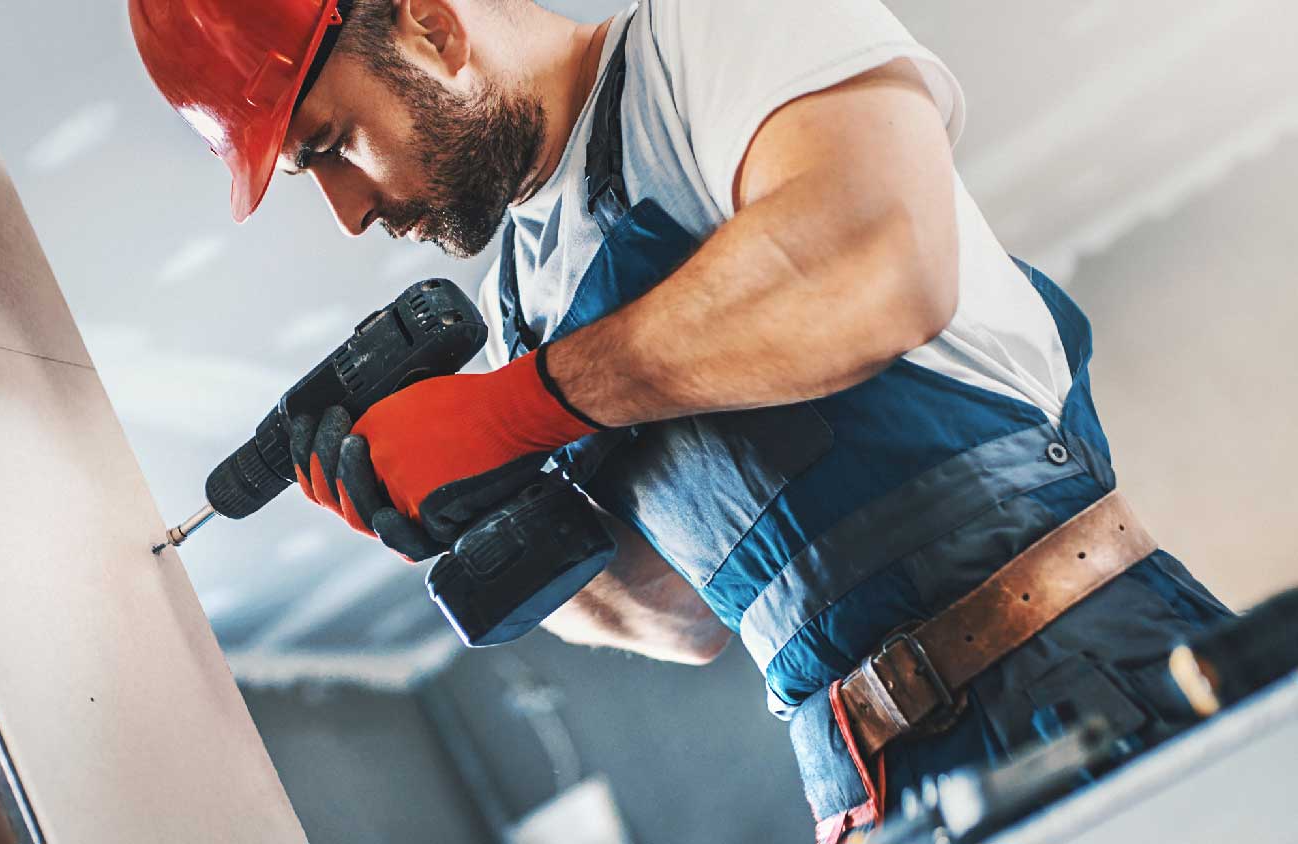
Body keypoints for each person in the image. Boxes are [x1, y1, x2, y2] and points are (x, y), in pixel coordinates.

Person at [129, 0, 1231, 838]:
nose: (351, 209)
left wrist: (518, 409)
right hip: (864, 788)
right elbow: (693, 620)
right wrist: (474, 521)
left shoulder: (712, 37)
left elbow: (879, 260)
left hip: (1072, 670)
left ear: (427, 21)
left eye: (329, 146)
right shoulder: (525, 311)